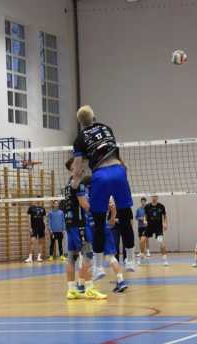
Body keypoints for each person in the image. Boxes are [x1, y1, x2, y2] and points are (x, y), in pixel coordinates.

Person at [71, 105, 135, 271]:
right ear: (94, 117)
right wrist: (124, 170)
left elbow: (77, 167)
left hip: (99, 176)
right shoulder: (107, 129)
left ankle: (98, 267)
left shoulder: (79, 138)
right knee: (126, 218)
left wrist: (75, 183)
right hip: (118, 171)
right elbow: (118, 154)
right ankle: (131, 260)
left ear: (80, 122)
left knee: (99, 223)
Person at [64, 159, 107, 300]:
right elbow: (84, 204)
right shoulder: (78, 183)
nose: (81, 166)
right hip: (79, 224)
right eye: (77, 165)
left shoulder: (69, 183)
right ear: (72, 168)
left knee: (71, 257)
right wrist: (99, 210)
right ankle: (89, 288)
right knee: (88, 254)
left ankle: (71, 290)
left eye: (81, 164)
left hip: (70, 224)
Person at [82, 178, 128, 293]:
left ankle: (84, 285)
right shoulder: (104, 193)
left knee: (88, 256)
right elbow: (113, 207)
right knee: (110, 257)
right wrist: (112, 219)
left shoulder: (83, 196)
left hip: (92, 229)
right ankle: (121, 281)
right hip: (105, 227)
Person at [141, 196, 169, 265]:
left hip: (158, 227)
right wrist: (144, 220)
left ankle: (164, 259)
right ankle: (142, 257)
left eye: (155, 196)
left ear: (157, 197)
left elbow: (165, 216)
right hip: (149, 226)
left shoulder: (161, 206)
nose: (154, 198)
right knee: (142, 240)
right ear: (151, 197)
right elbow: (145, 215)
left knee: (161, 242)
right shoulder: (147, 206)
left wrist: (165, 223)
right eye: (153, 196)